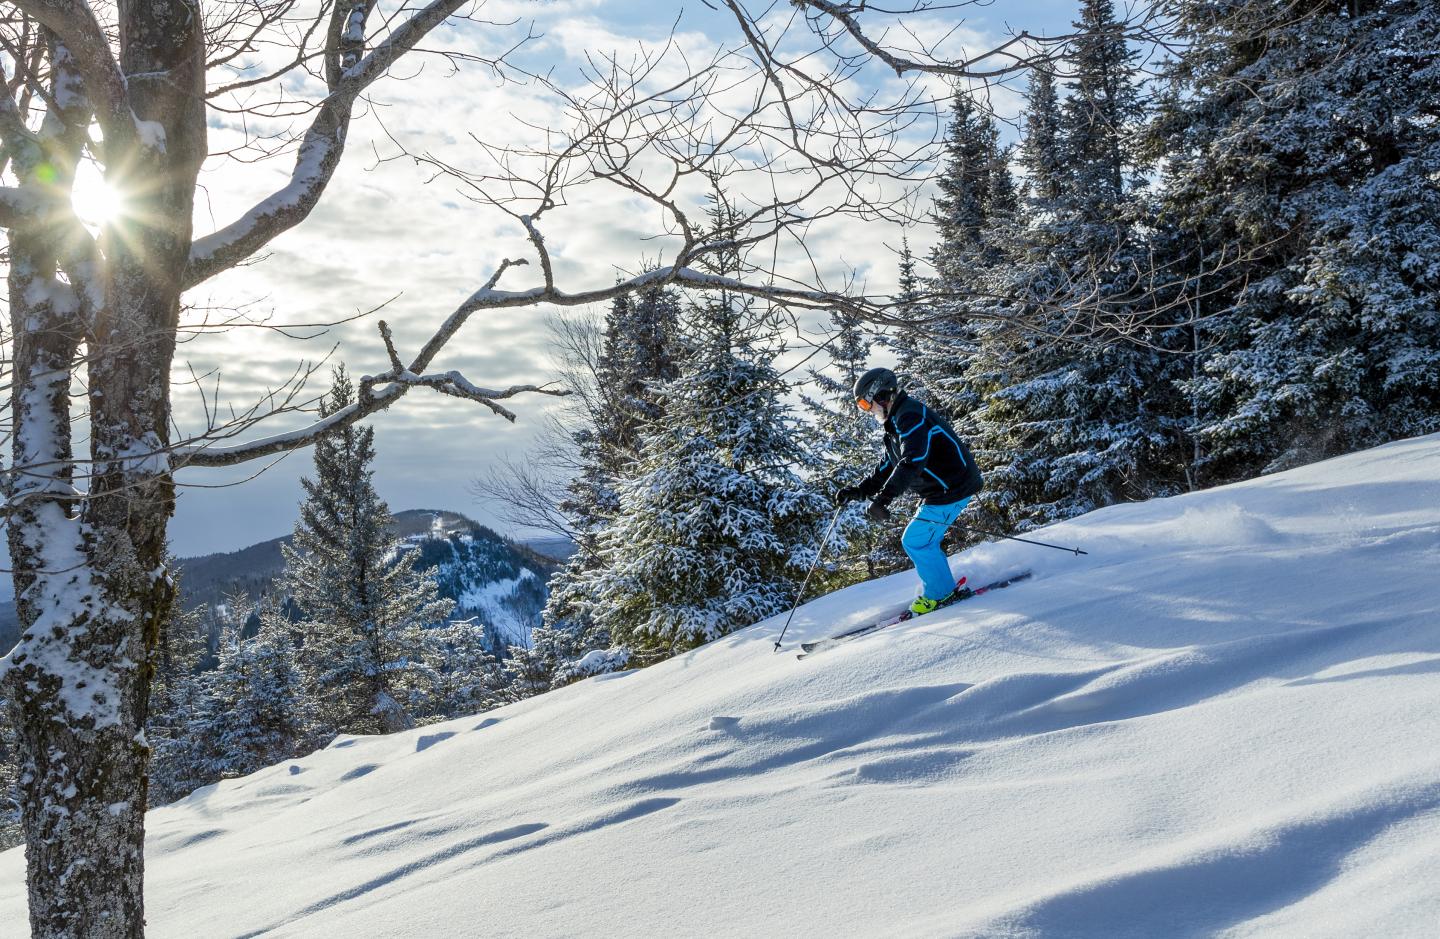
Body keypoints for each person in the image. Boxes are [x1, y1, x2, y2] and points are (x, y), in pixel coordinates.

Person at [836, 367, 983, 615]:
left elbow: (913, 460)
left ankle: (941, 594)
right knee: (923, 540)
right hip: (943, 490)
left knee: (916, 540)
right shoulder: (898, 420)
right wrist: (860, 491)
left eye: (866, 404)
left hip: (953, 488)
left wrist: (884, 499)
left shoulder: (910, 416)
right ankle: (943, 587)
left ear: (881, 395)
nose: (867, 410)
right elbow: (888, 464)